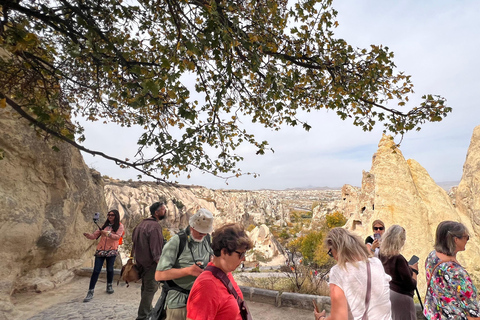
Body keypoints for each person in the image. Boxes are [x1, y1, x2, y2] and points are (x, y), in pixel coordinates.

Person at [314, 228, 391, 320]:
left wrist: (321, 318)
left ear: (337, 250)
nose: (333, 257)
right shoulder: (376, 263)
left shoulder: (338, 272)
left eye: (331, 253)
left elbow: (339, 317)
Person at [155, 209, 214, 320]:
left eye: (205, 232)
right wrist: (188, 271)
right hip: (179, 302)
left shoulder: (206, 239)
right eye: (200, 232)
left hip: (200, 299)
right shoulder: (176, 242)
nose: (202, 235)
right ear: (192, 226)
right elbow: (159, 275)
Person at [186, 223, 253, 320]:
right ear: (224, 252)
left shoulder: (224, 273)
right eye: (241, 254)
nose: (244, 259)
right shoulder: (207, 285)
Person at [424, 221, 480, 319]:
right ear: (456, 240)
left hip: (433, 314)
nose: (467, 240)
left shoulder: (432, 257)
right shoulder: (455, 272)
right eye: (466, 237)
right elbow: (472, 306)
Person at [132, 202, 166, 320]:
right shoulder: (155, 226)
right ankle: (142, 316)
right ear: (156, 213)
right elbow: (156, 249)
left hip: (140, 263)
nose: (165, 211)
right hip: (151, 265)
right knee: (150, 288)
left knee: (145, 288)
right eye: (163, 209)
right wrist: (161, 266)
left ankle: (148, 310)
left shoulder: (141, 224)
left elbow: (134, 242)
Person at [82, 209, 124, 302]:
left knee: (110, 269)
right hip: (100, 251)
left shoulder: (120, 226)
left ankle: (109, 285)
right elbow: (95, 235)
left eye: (112, 215)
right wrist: (89, 235)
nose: (110, 216)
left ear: (116, 216)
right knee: (96, 270)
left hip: (111, 250)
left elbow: (117, 237)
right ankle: (90, 291)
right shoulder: (104, 226)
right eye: (108, 215)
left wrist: (108, 234)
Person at [379, 225, 417, 320]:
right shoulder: (398, 258)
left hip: (389, 293)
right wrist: (414, 271)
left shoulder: (382, 254)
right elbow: (410, 285)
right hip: (402, 296)